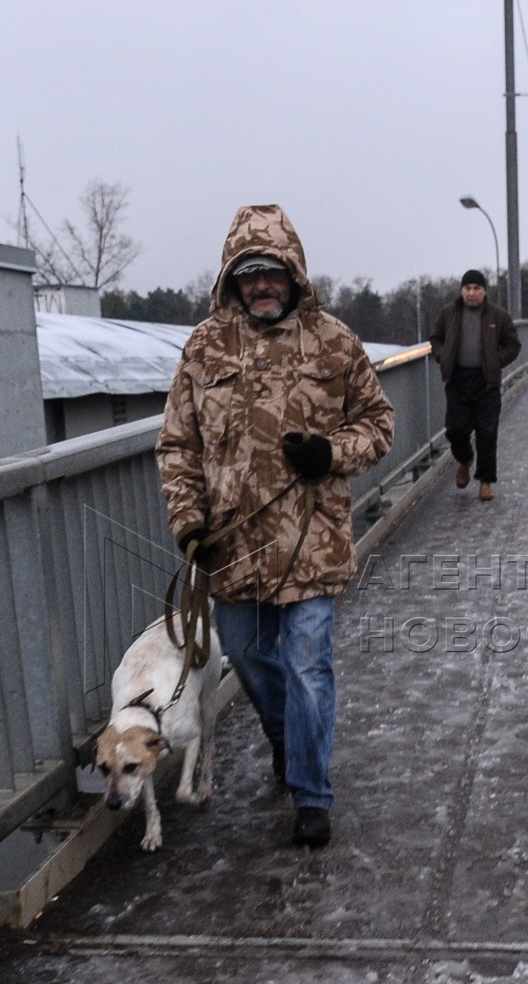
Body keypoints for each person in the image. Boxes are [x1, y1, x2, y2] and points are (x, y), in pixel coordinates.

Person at [157, 205, 394, 849]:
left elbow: (378, 425)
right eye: (249, 273)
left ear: (294, 275)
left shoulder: (336, 343)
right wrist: (189, 524)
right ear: (232, 279)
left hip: (312, 544)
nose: (262, 284)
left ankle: (312, 797)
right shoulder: (204, 347)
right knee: (251, 659)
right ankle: (290, 745)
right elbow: (177, 445)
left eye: (273, 272)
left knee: (308, 667)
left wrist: (330, 453)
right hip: (232, 549)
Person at [429, 270, 520, 501]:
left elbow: (513, 344)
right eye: (467, 288)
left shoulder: (497, 315)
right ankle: (465, 459)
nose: (471, 293)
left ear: (484, 291)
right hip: (457, 380)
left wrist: (496, 360)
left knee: (487, 433)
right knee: (455, 429)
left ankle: (486, 482)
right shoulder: (449, 313)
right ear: (461, 290)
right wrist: (442, 355)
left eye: (476, 289)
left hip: (486, 382)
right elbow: (435, 338)